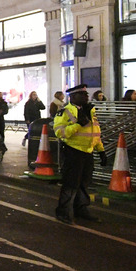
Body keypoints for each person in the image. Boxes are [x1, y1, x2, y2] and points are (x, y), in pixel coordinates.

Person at [53, 84, 107, 225]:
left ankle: (81, 209)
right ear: (73, 97)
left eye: (86, 95)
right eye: (82, 95)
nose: (86, 97)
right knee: (70, 184)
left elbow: (95, 132)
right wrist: (79, 124)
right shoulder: (65, 112)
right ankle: (63, 212)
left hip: (87, 152)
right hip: (73, 151)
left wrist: (101, 150)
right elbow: (60, 132)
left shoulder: (90, 110)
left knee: (84, 183)